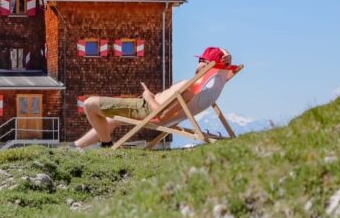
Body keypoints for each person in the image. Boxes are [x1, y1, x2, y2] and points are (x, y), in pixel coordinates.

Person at [73, 47, 238, 149]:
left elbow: (160, 116)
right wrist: (227, 56)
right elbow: (224, 72)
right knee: (110, 121)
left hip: (145, 109)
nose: (198, 62)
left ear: (205, 64)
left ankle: (106, 145)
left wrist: (148, 95)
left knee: (89, 104)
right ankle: (76, 147)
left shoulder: (189, 89)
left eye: (201, 60)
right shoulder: (207, 86)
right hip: (146, 107)